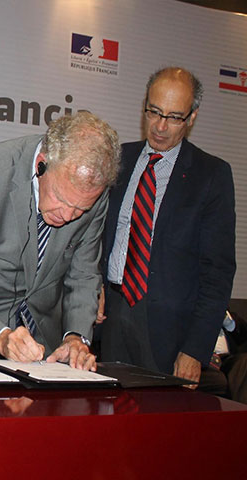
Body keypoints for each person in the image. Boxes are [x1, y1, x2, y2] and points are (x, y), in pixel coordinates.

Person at [0, 112, 121, 370]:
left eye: (80, 209)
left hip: (43, 343)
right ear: (41, 165)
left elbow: (83, 275)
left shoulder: (93, 193)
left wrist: (76, 337)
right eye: (61, 199)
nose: (67, 216)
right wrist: (1, 338)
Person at [100, 67, 236, 387]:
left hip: (170, 332)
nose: (160, 126)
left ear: (191, 117)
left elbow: (217, 272)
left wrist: (195, 349)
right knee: (107, 410)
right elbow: (95, 236)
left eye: (174, 117)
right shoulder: (118, 159)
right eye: (154, 112)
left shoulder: (211, 175)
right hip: (111, 316)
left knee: (159, 415)